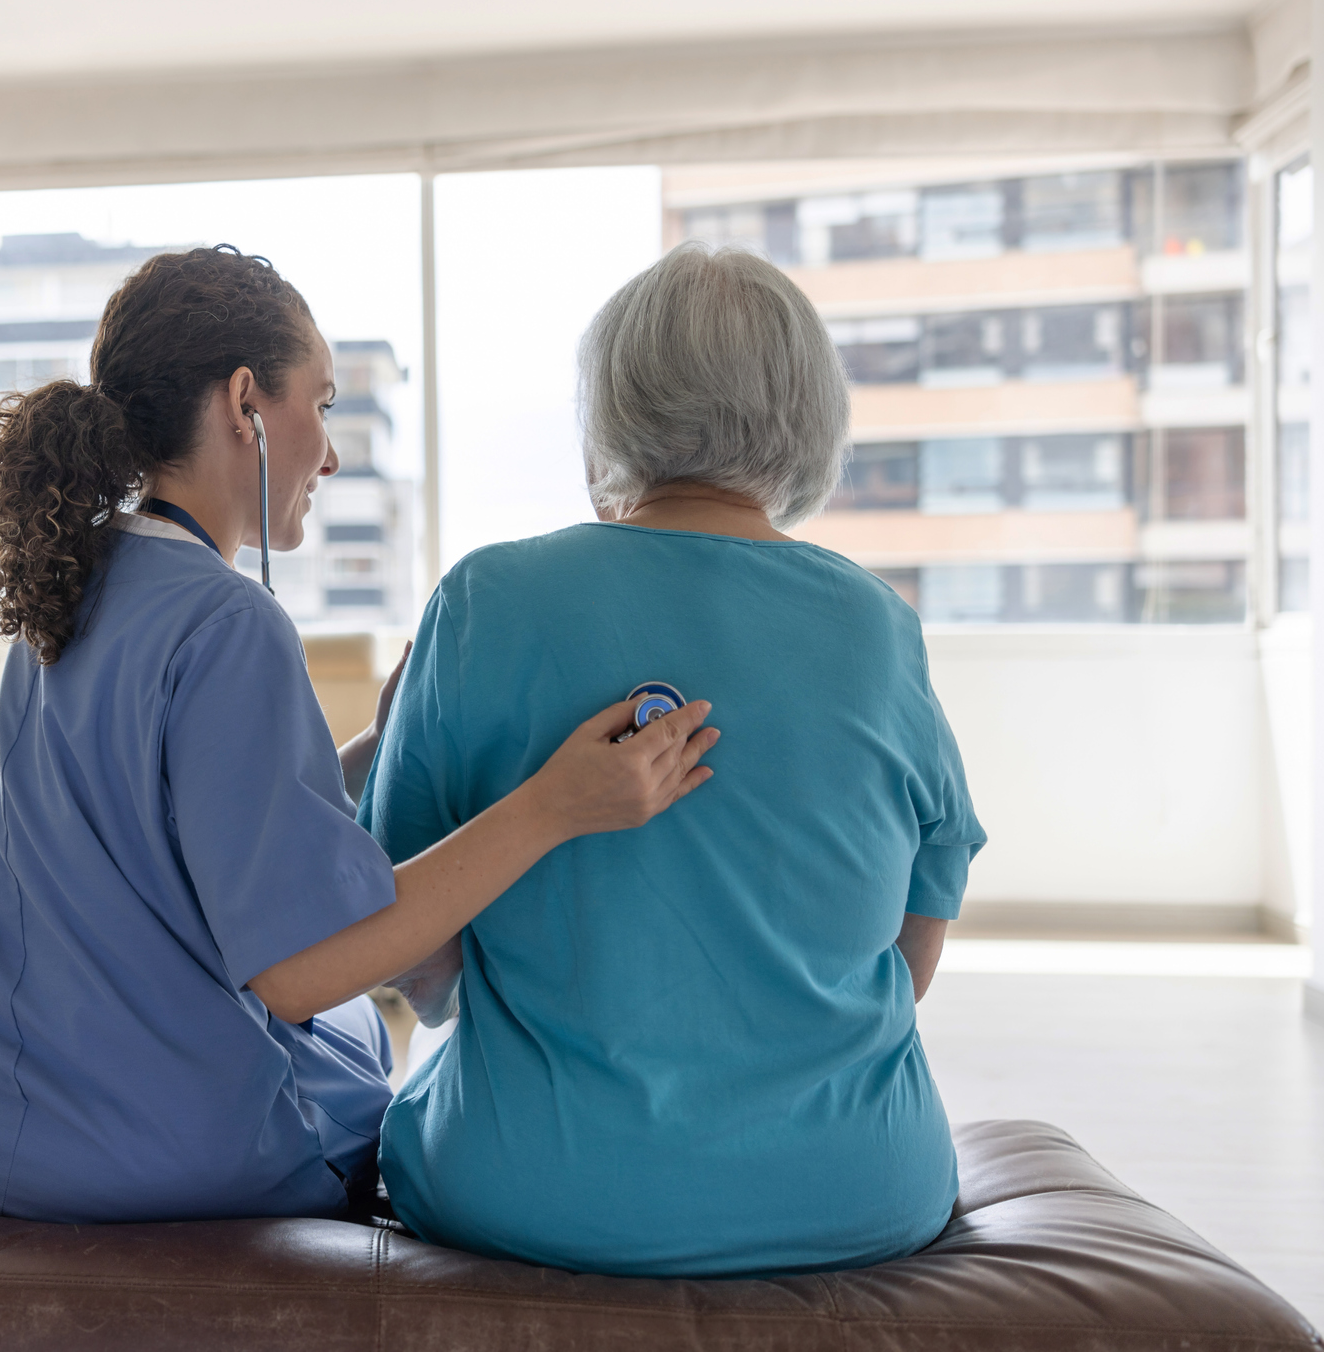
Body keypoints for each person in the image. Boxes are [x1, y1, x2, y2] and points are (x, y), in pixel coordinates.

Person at [0, 245, 719, 1225]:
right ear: (244, 403)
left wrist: (371, 740)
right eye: (318, 404)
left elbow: (167, 827)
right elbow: (299, 971)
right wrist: (552, 808)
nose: (326, 453)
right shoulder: (229, 620)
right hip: (126, 1154)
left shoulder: (70, 591)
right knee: (363, 1040)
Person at [365, 242, 985, 1278]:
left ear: (610, 407)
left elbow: (399, 944)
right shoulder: (877, 627)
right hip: (854, 1191)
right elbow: (910, 949)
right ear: (809, 416)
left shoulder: (485, 601)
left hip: (525, 1189)